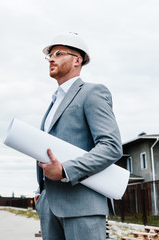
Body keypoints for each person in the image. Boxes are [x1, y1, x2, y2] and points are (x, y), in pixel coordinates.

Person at [34, 32, 122, 240]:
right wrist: (41, 192)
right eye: (49, 55)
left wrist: (65, 170)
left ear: (77, 60)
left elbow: (111, 146)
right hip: (49, 207)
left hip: (83, 208)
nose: (51, 59)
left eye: (57, 53)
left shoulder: (92, 93)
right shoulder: (53, 102)